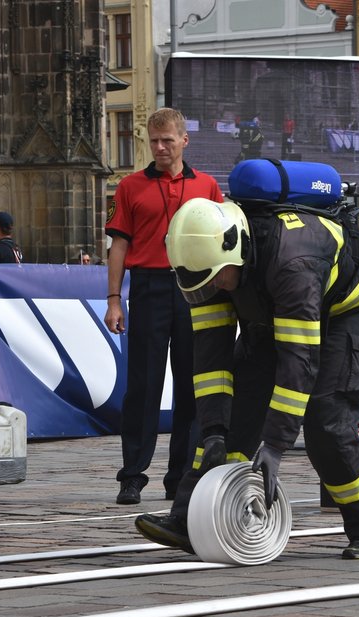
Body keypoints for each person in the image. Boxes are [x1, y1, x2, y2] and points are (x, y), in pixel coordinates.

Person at [135, 197, 359, 560]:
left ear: (235, 250)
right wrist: (213, 430)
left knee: (326, 418)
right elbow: (212, 362)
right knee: (234, 415)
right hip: (273, 305)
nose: (209, 289)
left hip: (346, 309)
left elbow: (299, 362)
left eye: (214, 281)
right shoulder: (206, 268)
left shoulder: (293, 262)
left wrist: (274, 446)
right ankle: (190, 519)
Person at [104, 108, 224, 505]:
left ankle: (181, 477)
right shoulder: (130, 187)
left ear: (183, 141)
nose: (159, 147)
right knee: (143, 386)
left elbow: (224, 242)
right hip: (149, 289)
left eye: (167, 140)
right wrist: (113, 300)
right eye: (153, 141)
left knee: (194, 385)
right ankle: (133, 475)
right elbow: (118, 245)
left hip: (196, 290)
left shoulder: (207, 185)